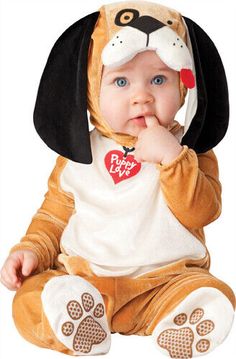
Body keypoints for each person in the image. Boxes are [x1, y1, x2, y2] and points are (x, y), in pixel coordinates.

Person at [0, 1, 235, 358]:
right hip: (83, 279)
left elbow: (200, 212)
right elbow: (53, 216)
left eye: (159, 79)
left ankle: (180, 318)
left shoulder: (192, 150)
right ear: (91, 88)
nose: (141, 97)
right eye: (121, 81)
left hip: (164, 283)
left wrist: (172, 157)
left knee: (211, 292)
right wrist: (32, 249)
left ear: (185, 84)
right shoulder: (78, 153)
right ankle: (74, 316)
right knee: (28, 300)